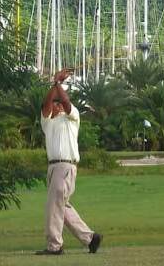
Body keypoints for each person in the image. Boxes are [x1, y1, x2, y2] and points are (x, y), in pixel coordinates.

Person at [35, 69, 103, 256]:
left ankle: (54, 246)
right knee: (61, 206)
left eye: (59, 103)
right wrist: (54, 85)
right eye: (55, 103)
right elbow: (45, 104)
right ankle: (90, 239)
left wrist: (58, 84)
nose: (58, 105)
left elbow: (65, 101)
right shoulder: (47, 122)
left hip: (65, 166)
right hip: (53, 168)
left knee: (53, 206)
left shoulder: (73, 118)